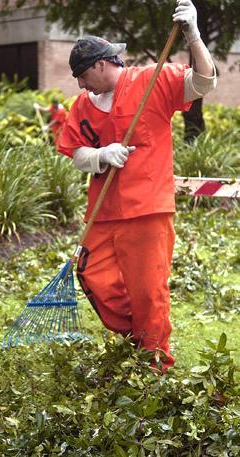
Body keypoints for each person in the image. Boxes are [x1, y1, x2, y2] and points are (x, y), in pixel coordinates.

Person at [58, 0, 217, 372]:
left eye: (82, 74)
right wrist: (100, 155)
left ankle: (154, 360)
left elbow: (205, 82)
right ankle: (137, 337)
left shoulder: (153, 80)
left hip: (148, 209)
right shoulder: (83, 104)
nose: (80, 84)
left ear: (101, 64)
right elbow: (75, 153)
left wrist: (193, 36)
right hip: (103, 211)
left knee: (148, 290)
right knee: (91, 275)